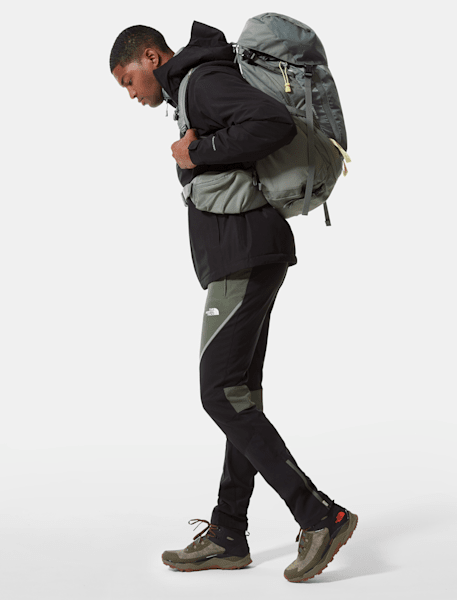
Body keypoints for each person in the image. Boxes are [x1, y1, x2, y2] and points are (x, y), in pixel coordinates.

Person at [110, 21, 357, 583]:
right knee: (241, 396)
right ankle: (228, 531)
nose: (131, 94)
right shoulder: (192, 88)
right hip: (249, 253)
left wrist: (197, 151)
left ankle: (320, 515)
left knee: (219, 393)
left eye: (128, 80)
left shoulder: (200, 82)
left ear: (151, 57)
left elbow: (272, 122)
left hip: (244, 256)